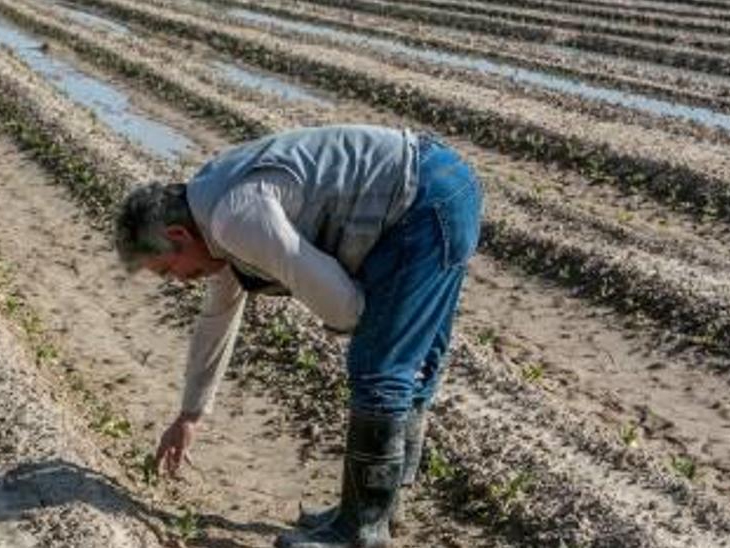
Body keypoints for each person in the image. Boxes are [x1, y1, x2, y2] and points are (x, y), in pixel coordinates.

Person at [113, 124, 483, 547]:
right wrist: (190, 414)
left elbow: (345, 308)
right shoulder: (210, 207)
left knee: (381, 370)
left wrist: (375, 327)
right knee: (408, 365)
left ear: (177, 236)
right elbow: (218, 314)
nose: (178, 281)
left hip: (420, 202)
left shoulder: (235, 217)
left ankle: (359, 531)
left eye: (166, 271)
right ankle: (376, 509)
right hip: (440, 184)